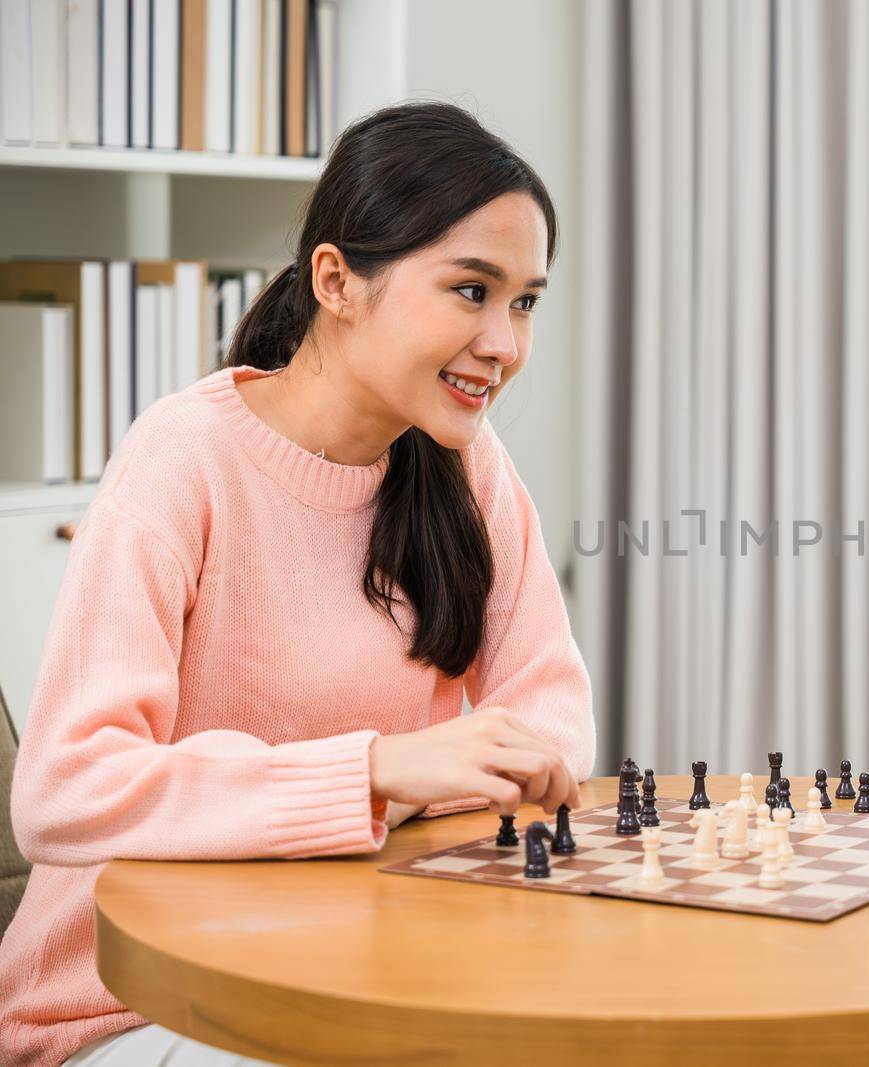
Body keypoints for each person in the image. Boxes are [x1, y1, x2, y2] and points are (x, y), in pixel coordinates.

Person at [0, 101, 595, 1067]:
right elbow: (66, 790)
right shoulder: (185, 459)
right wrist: (370, 771)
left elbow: (553, 723)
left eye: (525, 301)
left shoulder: (466, 466)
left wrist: (417, 783)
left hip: (362, 972)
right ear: (336, 281)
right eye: (471, 290)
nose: (506, 344)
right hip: (129, 1006)